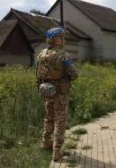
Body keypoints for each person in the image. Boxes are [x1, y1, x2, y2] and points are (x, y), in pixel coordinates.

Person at [36, 26, 78, 161]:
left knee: (49, 117)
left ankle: (46, 142)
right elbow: (74, 74)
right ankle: (57, 151)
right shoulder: (63, 55)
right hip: (60, 92)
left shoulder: (41, 54)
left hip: (46, 91)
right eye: (61, 37)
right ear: (55, 39)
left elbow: (37, 74)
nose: (63, 39)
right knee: (60, 120)